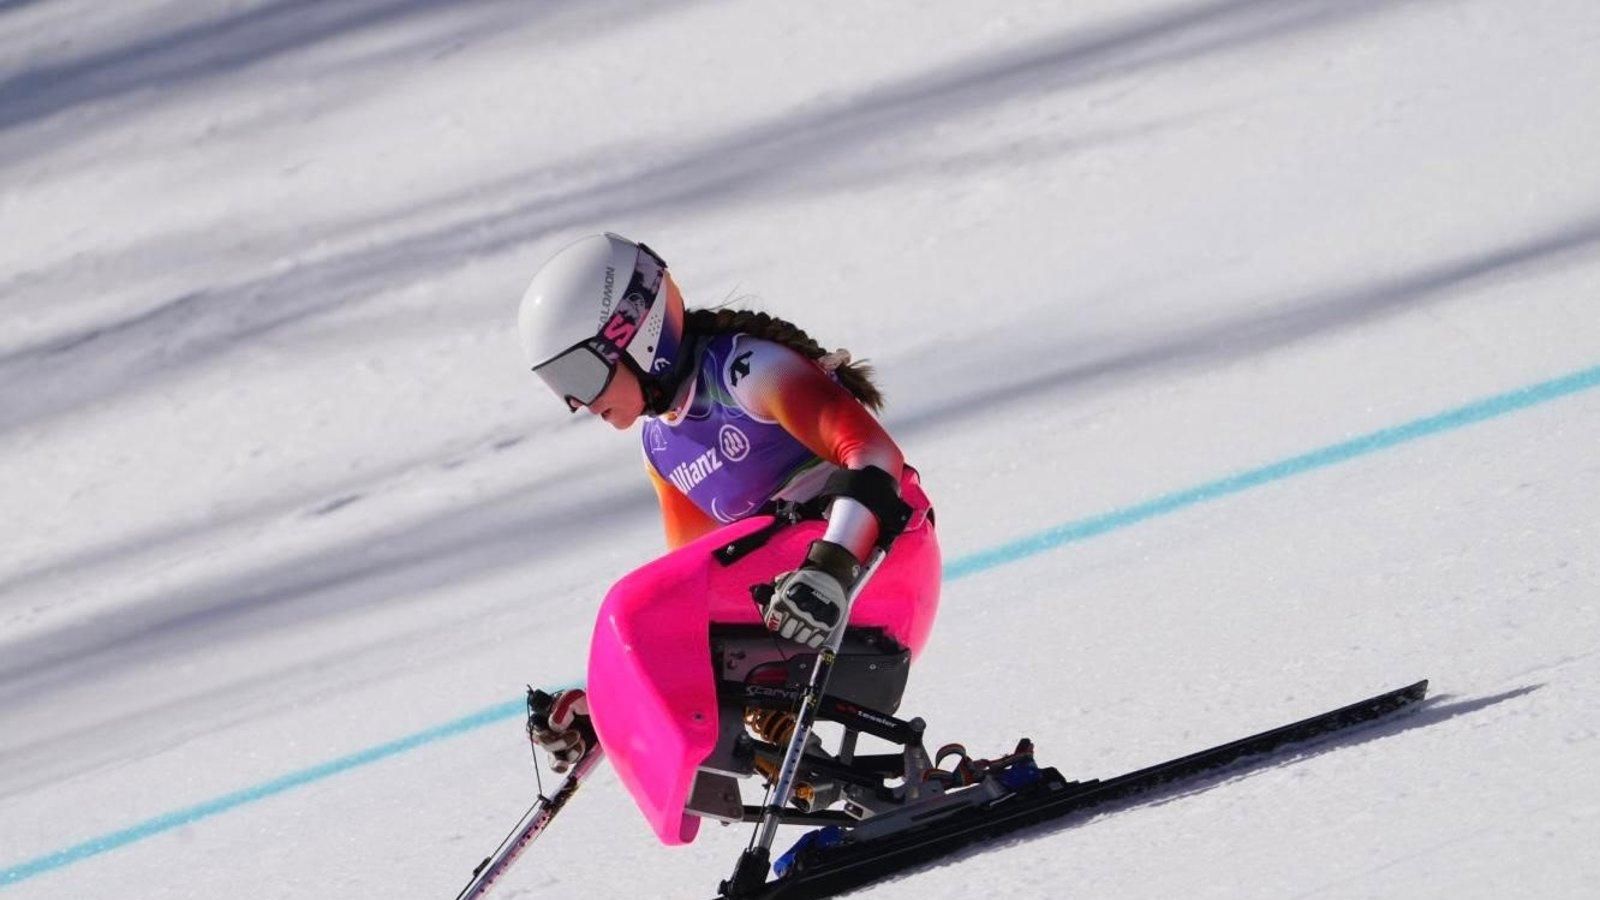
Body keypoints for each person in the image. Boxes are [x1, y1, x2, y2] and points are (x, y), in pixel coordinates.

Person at [517, 233, 941, 845]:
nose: (579, 402)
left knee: (630, 606)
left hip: (877, 569)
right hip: (797, 605)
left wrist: (832, 567)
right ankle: (822, 780)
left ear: (634, 334)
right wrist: (612, 706)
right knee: (655, 618)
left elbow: (874, 453)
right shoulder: (661, 447)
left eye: (579, 371)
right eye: (559, 386)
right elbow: (691, 592)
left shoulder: (745, 369)